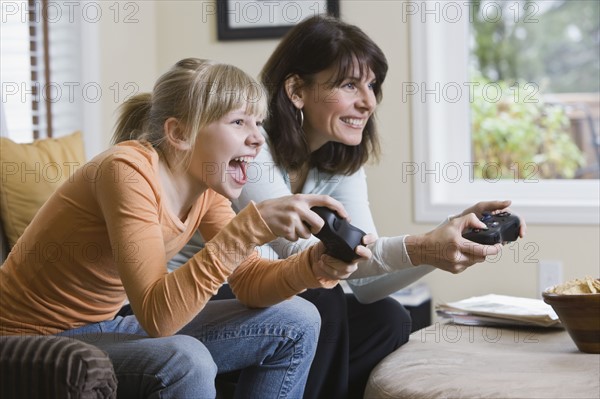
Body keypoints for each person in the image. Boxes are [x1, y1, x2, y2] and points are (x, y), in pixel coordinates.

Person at [172, 15, 527, 399]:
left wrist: (446, 240)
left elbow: (367, 283)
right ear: (295, 90)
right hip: (202, 298)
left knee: (387, 318)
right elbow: (303, 257)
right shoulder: (249, 145)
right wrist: (425, 245)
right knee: (319, 294)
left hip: (267, 300)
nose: (368, 101)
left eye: (372, 85)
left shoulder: (337, 162)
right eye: (348, 84)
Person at [0, 58, 373, 398]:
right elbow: (157, 316)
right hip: (29, 343)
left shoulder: (205, 190)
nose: (258, 138)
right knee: (185, 358)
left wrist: (312, 266)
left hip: (101, 328)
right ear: (179, 134)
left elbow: (247, 281)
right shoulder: (125, 171)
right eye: (239, 121)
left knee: (300, 318)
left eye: (258, 122)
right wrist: (247, 229)